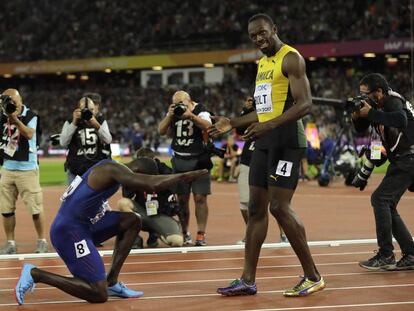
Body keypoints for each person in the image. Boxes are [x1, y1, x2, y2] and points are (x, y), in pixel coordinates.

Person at [209, 13, 325, 297]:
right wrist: (233, 123)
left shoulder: (291, 58)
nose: (259, 39)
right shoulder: (262, 64)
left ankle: (313, 276)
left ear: (274, 28)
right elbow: (264, 109)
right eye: (253, 36)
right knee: (256, 210)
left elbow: (305, 104)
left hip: (287, 142)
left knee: (279, 207)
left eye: (262, 33)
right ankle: (247, 279)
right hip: (264, 141)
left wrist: (269, 126)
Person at [14, 158, 207, 305]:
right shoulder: (111, 169)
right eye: (138, 182)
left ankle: (112, 281)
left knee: (132, 220)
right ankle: (36, 273)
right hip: (69, 232)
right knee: (98, 294)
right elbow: (152, 184)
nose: (137, 190)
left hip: (84, 226)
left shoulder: (113, 172)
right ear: (137, 172)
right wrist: (183, 176)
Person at [351, 73, 414, 270]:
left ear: (379, 92)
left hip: (409, 159)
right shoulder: (379, 107)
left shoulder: (393, 100)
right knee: (386, 203)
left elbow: (400, 120)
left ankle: (386, 254)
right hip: (403, 160)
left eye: (366, 94)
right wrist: (357, 116)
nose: (364, 99)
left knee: (381, 199)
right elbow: (375, 145)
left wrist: (369, 114)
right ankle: (410, 254)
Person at [158, 90, 212, 246]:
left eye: (181, 103)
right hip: (180, 160)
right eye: (176, 103)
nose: (179, 106)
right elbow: (161, 131)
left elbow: (208, 126)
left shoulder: (201, 110)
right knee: (181, 200)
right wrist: (169, 115)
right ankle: (184, 231)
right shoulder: (174, 112)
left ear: (190, 101)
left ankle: (201, 233)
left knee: (200, 198)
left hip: (199, 160)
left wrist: (191, 116)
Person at [0, 88, 48, 254]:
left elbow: (28, 134)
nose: (11, 104)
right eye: (7, 101)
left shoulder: (30, 116)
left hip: (27, 168)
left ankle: (42, 240)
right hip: (7, 168)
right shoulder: (2, 116)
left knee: (35, 209)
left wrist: (14, 119)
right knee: (6, 210)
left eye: (13, 100)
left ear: (20, 100)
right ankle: (10, 242)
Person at [235, 96, 287, 245]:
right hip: (248, 160)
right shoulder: (251, 112)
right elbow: (239, 130)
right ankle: (251, 233)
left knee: (277, 203)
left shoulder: (277, 110)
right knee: (245, 203)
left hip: (270, 159)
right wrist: (246, 110)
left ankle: (284, 234)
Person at [118, 148, 183, 248]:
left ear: (154, 160)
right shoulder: (134, 172)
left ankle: (156, 233)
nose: (143, 166)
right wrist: (132, 181)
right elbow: (127, 196)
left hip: (160, 215)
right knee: (123, 203)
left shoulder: (165, 171)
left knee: (177, 241)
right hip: (142, 213)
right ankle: (135, 237)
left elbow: (175, 189)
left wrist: (156, 179)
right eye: (140, 162)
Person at [60, 94, 112, 184]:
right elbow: (63, 142)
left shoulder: (100, 121)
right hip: (75, 170)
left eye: (91, 109)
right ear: (78, 110)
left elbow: (108, 140)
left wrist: (96, 125)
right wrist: (74, 123)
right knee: (74, 198)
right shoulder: (70, 122)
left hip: (96, 170)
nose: (89, 112)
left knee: (97, 198)